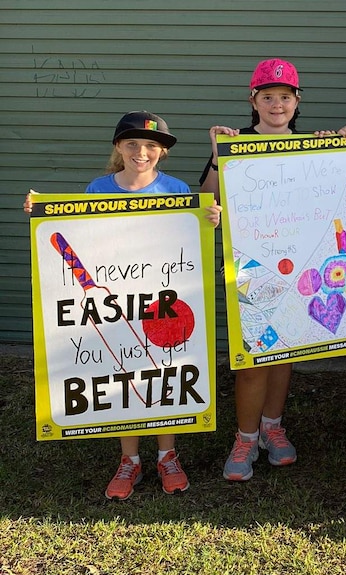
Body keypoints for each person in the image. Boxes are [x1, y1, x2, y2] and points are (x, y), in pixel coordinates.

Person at [25, 111, 222, 500]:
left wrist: (209, 221)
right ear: (118, 147)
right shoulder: (98, 188)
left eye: (151, 145)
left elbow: (187, 244)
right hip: (115, 304)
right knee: (120, 373)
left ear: (162, 153)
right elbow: (77, 238)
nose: (141, 152)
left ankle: (167, 454)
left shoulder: (177, 189)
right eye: (132, 143)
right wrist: (42, 213)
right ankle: (129, 459)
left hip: (161, 303)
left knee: (166, 373)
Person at [201, 59, 346, 482]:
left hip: (302, 269)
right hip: (252, 268)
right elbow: (207, 199)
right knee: (253, 359)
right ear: (252, 100)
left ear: (297, 101)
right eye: (267, 96)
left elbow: (341, 194)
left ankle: (272, 427)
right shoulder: (235, 142)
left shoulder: (312, 144)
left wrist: (343, 148)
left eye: (284, 97)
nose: (276, 104)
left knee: (286, 351)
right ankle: (245, 437)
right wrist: (217, 158)